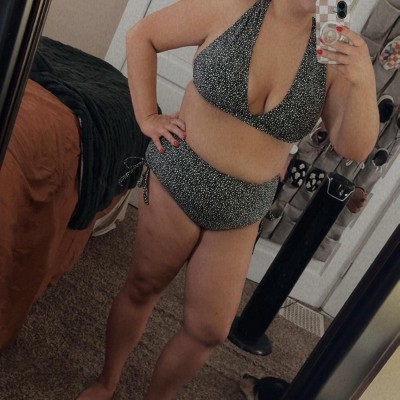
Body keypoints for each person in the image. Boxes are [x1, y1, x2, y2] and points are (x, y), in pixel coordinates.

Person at [77, 0, 379, 399]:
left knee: (209, 330)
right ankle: (107, 381)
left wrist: (362, 81)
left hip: (243, 208)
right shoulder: (233, 6)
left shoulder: (330, 44)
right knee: (143, 287)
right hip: (178, 177)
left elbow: (353, 147)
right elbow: (142, 35)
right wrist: (148, 116)